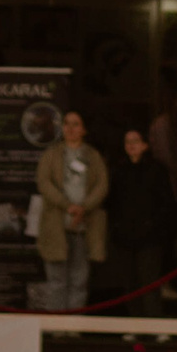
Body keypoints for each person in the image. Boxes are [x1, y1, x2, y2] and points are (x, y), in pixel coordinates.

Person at [33, 110, 107, 312]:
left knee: (79, 279)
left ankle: (73, 326)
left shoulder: (92, 156)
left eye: (75, 124)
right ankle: (57, 327)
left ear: (83, 129)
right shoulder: (52, 154)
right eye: (66, 123)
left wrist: (84, 207)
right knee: (57, 280)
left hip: (83, 226)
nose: (70, 128)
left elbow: (102, 184)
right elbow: (44, 182)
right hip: (57, 226)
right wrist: (68, 206)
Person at [102, 127, 177, 308]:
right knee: (130, 283)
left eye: (135, 141)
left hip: (150, 237)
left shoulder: (157, 170)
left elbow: (166, 203)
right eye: (127, 142)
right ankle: (134, 325)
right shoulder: (119, 171)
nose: (131, 146)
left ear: (145, 145)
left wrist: (154, 227)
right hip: (125, 237)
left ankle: (154, 326)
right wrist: (117, 229)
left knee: (150, 281)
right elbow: (112, 202)